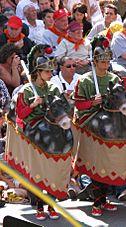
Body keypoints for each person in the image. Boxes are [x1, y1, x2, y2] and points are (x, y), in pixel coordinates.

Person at [72, 36, 126, 216]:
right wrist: (91, 102)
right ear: (94, 61)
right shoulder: (85, 80)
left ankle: (104, 200)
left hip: (111, 123)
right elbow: (79, 105)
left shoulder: (115, 79)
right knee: (97, 165)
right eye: (101, 61)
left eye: (107, 61)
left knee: (108, 164)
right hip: (91, 123)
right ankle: (97, 203)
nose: (105, 64)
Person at [15, 45, 67, 220]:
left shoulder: (54, 88)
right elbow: (21, 114)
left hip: (53, 128)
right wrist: (33, 105)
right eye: (47, 72)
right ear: (38, 72)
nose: (50, 75)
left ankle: (51, 205)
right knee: (39, 171)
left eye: (51, 72)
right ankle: (39, 206)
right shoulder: (27, 90)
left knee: (52, 170)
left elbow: (64, 107)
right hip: (34, 129)